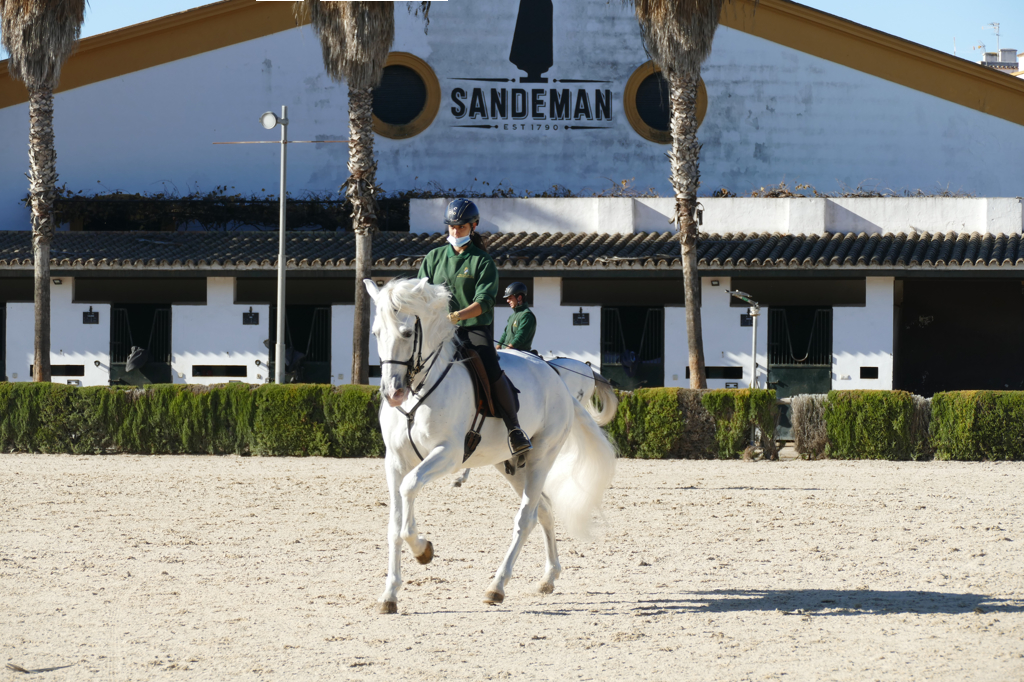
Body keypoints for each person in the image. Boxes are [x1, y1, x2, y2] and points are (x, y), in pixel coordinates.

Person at [416, 198, 533, 459]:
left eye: (460, 227)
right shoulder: (433, 258)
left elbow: (483, 303)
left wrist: (455, 317)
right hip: (438, 329)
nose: (455, 232)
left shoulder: (483, 262)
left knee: (490, 366)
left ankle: (515, 429)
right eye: (451, 227)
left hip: (472, 329)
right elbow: (421, 293)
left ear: (474, 226)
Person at [496, 282, 537, 352]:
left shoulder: (527, 315)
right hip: (507, 352)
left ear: (519, 298)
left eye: (510, 298)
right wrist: (497, 347)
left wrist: (507, 350)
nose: (507, 300)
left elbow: (520, 337)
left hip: (518, 354)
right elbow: (505, 334)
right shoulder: (512, 316)